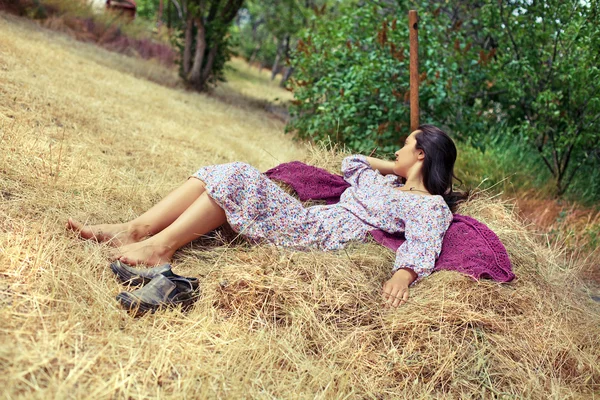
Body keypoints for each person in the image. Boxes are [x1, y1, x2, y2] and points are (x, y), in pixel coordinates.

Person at [66, 125, 467, 308]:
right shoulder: (387, 183)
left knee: (239, 174)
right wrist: (397, 168)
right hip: (313, 219)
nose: (396, 151)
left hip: (320, 234)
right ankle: (138, 228)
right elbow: (352, 163)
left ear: (422, 155)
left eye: (404, 146)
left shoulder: (427, 206)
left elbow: (425, 243)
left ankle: (157, 248)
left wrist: (404, 274)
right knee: (224, 172)